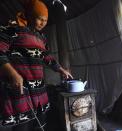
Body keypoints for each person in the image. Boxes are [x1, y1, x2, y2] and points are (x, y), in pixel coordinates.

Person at [0, 0, 73, 130]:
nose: (43, 23)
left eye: (45, 20)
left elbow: (46, 56)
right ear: (30, 15)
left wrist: (61, 69)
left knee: (40, 124)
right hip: (21, 90)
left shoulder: (41, 37)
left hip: (39, 91)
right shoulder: (12, 29)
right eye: (40, 19)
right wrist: (12, 73)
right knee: (23, 126)